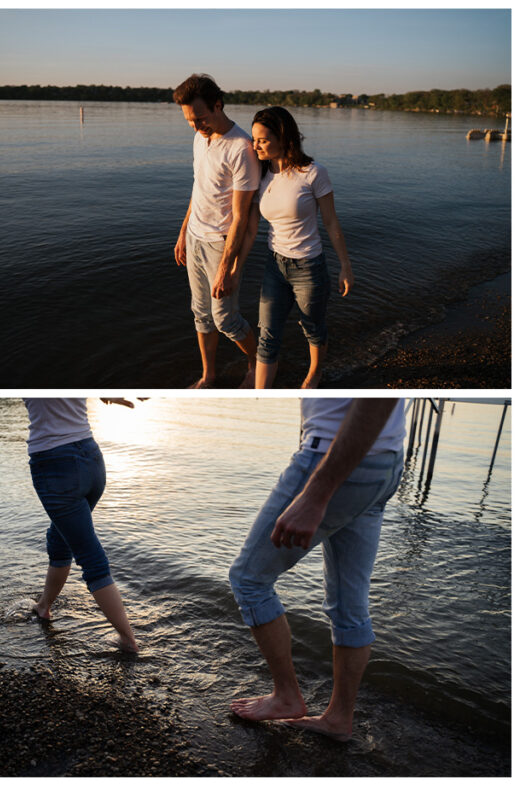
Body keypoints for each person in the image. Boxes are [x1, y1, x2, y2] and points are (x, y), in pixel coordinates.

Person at [228, 398, 405, 742]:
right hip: (384, 462)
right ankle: (339, 718)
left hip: (334, 458)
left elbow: (379, 396)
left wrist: (316, 494)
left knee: (249, 580)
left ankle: (286, 696)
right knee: (349, 604)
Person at [242, 106, 354, 388]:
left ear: (284, 138)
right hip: (274, 266)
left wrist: (345, 267)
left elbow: (331, 222)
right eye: (254, 139)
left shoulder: (313, 173)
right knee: (267, 334)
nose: (255, 146)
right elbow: (251, 226)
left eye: (263, 140)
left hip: (309, 266)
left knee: (312, 327)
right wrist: (232, 265)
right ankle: (261, 396)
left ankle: (314, 373)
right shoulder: (261, 175)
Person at [23, 398, 139, 653]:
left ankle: (128, 641)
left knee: (90, 557)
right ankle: (44, 607)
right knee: (60, 538)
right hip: (91, 459)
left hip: (54, 464)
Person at [173, 73, 261, 389]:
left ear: (218, 105)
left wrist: (226, 266)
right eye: (189, 121)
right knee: (200, 314)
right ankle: (209, 375)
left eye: (200, 118)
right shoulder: (200, 138)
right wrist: (184, 232)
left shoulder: (241, 148)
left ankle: (256, 362)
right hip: (195, 236)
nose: (196, 126)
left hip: (221, 244)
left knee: (225, 319)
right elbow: (200, 189)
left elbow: (241, 217)